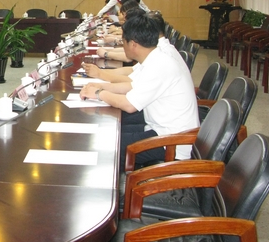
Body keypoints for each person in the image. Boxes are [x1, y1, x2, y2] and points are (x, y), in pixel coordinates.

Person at [80, 14, 199, 166]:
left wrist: (98, 94)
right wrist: (101, 86)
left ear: (133, 44)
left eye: (123, 41)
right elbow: (133, 86)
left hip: (172, 143)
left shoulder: (160, 65)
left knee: (107, 144)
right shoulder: (155, 57)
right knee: (110, 128)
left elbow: (129, 105)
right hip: (161, 129)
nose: (122, 45)